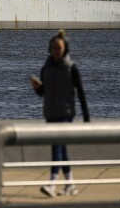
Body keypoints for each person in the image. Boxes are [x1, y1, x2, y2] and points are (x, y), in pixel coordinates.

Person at [30, 29, 90, 197]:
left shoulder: (71, 68)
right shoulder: (45, 69)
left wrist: (86, 117)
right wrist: (37, 88)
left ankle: (51, 184)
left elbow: (81, 92)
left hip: (65, 114)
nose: (56, 50)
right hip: (51, 114)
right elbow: (44, 93)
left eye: (59, 47)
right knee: (61, 149)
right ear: (50, 49)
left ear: (65, 49)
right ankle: (70, 184)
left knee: (56, 146)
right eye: (54, 47)